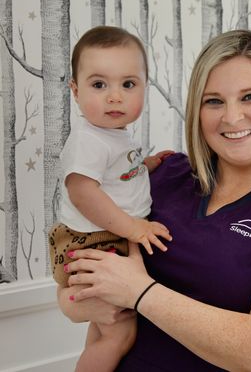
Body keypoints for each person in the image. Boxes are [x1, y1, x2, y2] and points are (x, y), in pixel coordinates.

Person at [58, 29, 251, 371]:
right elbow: (84, 264)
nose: (231, 117)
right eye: (213, 101)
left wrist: (140, 293)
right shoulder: (162, 177)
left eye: (250, 97)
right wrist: (73, 303)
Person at [49, 26, 172, 372]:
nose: (115, 96)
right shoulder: (89, 140)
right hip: (97, 241)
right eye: (99, 85)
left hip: (100, 239)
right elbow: (83, 192)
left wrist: (145, 165)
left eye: (128, 84)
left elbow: (114, 175)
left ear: (144, 88)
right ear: (75, 90)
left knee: (104, 331)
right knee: (120, 335)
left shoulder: (111, 135)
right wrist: (132, 227)